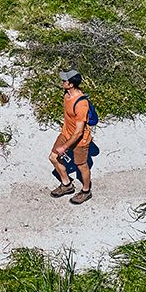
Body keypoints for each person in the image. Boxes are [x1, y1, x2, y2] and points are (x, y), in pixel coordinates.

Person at [49, 69, 94, 204]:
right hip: (66, 133)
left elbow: (79, 132)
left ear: (71, 84)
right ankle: (67, 185)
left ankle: (86, 191)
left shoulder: (81, 104)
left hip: (80, 140)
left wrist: (65, 146)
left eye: (64, 80)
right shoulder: (66, 95)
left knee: (82, 166)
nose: (62, 82)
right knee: (53, 157)